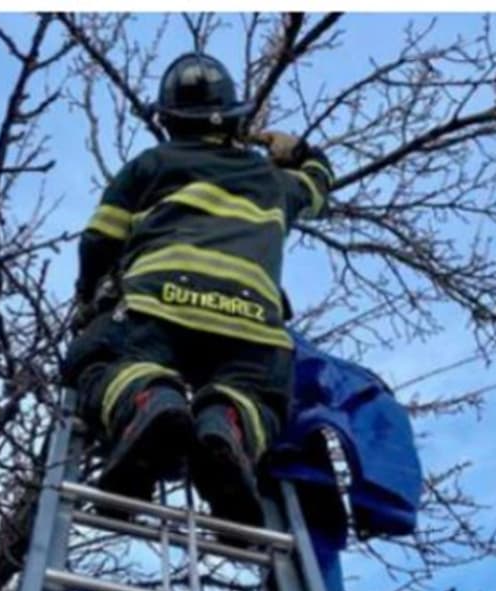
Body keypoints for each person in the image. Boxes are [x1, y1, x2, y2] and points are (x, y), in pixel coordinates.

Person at [62, 51, 332, 527]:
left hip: (157, 308)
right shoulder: (271, 181)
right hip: (251, 327)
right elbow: (318, 184)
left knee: (97, 360)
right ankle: (227, 426)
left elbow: (99, 238)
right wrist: (298, 150)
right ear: (232, 118)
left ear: (166, 119)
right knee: (257, 397)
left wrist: (89, 300)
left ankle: (148, 402)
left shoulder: (149, 165)